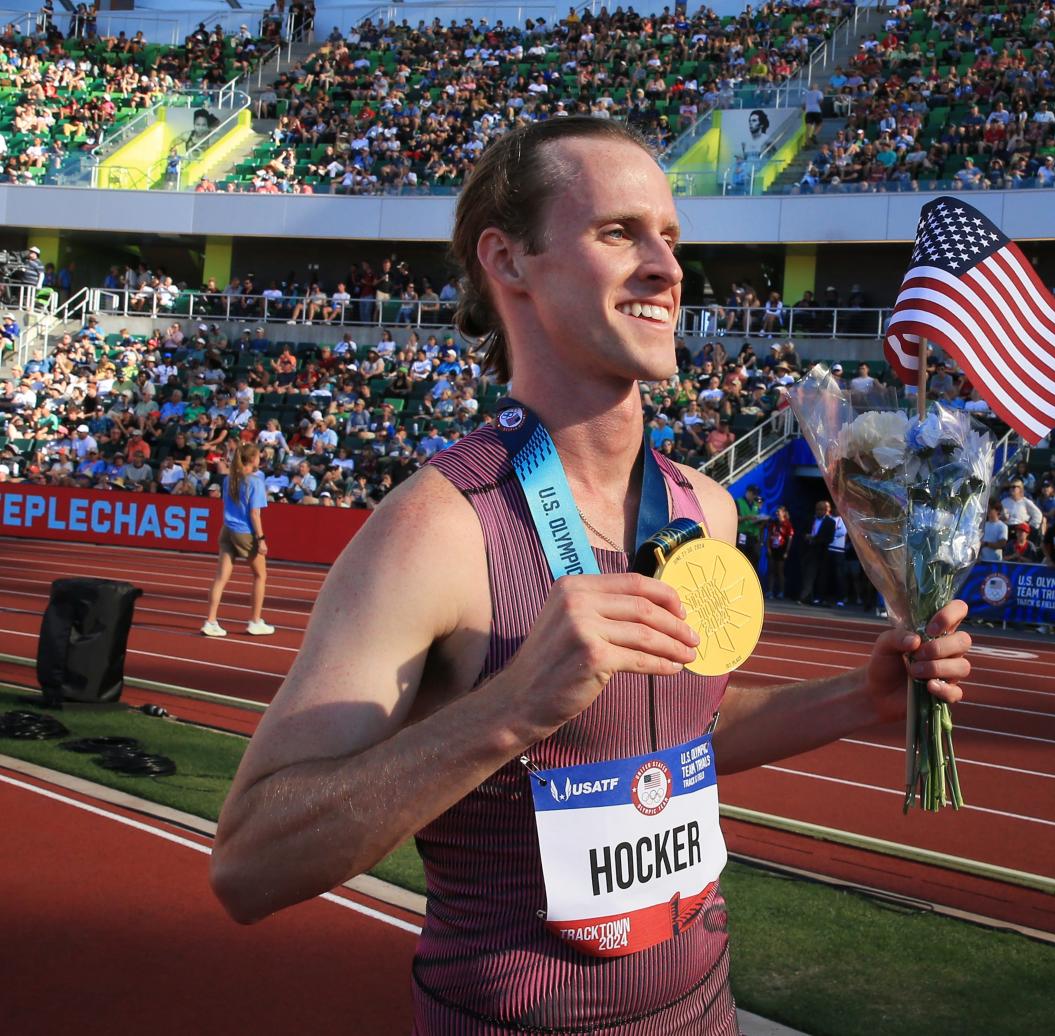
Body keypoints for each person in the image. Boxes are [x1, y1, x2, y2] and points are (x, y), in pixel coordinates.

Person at [209, 118, 972, 1032]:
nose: (666, 266)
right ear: (510, 260)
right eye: (619, 233)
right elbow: (249, 863)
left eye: (672, 239)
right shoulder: (434, 531)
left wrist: (863, 698)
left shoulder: (705, 510)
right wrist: (513, 707)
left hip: (702, 1014)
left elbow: (670, 739)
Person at [202, 442, 275, 637]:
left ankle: (210, 621)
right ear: (252, 460)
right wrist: (261, 538)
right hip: (244, 533)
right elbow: (254, 514)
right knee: (260, 575)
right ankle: (255, 620)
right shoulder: (255, 482)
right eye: (258, 456)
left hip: (227, 529)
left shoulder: (229, 479)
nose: (261, 458)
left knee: (220, 577)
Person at [735, 483, 768, 571]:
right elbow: (736, 518)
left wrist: (762, 520)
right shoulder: (738, 502)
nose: (755, 496)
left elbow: (757, 516)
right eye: (753, 494)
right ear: (748, 492)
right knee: (742, 557)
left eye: (756, 494)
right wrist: (748, 517)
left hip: (753, 536)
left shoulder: (756, 504)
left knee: (754, 558)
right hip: (742, 535)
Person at [765, 504, 794, 599]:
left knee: (780, 571)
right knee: (771, 570)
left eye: (779, 511)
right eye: (776, 511)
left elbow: (790, 539)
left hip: (781, 550)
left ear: (784, 513)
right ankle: (770, 591)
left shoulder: (788, 524)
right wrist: (768, 548)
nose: (777, 513)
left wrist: (786, 552)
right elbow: (769, 536)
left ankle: (781, 592)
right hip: (773, 549)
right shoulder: (773, 523)